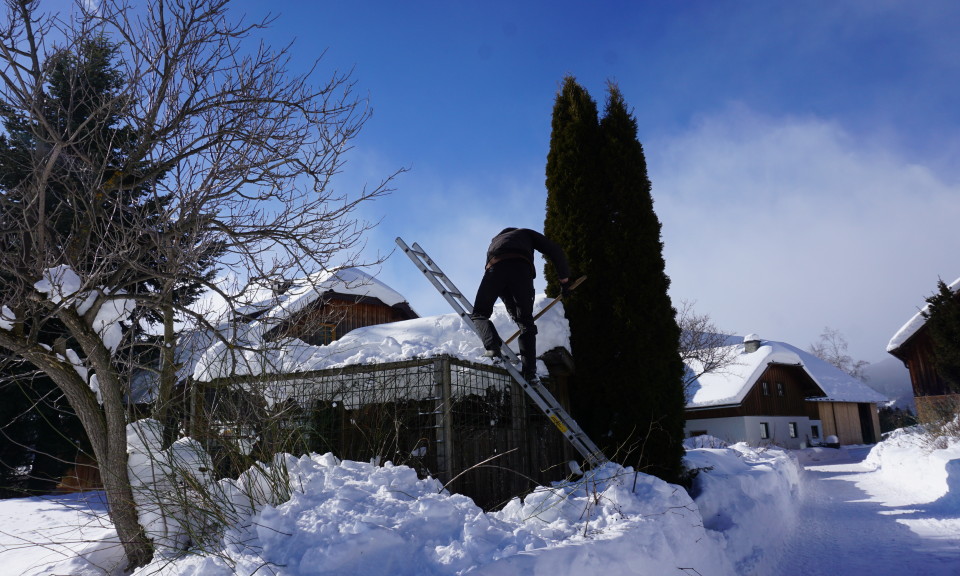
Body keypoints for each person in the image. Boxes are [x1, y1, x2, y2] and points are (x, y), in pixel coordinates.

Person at [471, 227, 570, 382]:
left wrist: (512, 310)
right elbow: (554, 249)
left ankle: (492, 348)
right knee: (526, 322)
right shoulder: (525, 233)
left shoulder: (494, 242)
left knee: (479, 314)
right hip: (521, 271)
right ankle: (530, 372)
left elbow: (503, 287)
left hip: (495, 270)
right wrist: (564, 280)